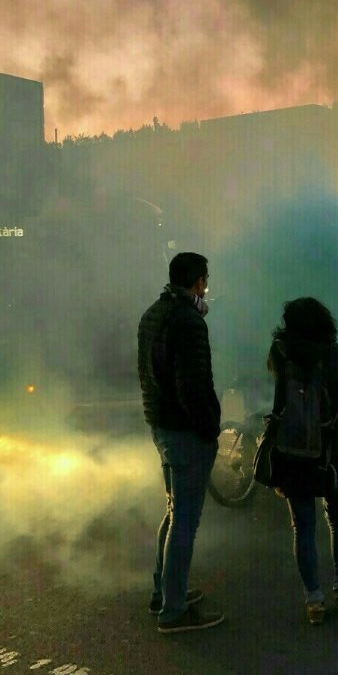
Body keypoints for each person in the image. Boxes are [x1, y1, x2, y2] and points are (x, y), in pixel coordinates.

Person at [267, 297, 338, 625]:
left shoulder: (280, 354)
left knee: (303, 528)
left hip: (293, 454)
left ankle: (314, 601)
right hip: (334, 453)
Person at [137, 252, 225, 633]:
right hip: (185, 431)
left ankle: (164, 590)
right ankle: (173, 610)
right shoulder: (188, 321)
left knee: (174, 512)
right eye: (205, 279)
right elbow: (193, 385)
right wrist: (209, 428)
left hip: (161, 424)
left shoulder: (153, 313)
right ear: (198, 281)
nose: (207, 285)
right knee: (185, 521)